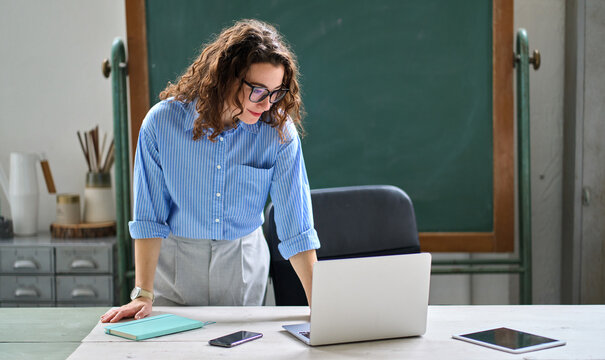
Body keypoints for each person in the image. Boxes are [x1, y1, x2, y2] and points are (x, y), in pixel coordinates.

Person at [101, 19, 320, 323]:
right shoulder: (161, 125)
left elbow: (296, 226)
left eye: (275, 93)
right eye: (258, 91)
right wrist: (143, 293)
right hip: (175, 266)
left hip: (243, 265)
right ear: (227, 77)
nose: (267, 104)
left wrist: (320, 306)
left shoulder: (279, 133)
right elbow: (149, 217)